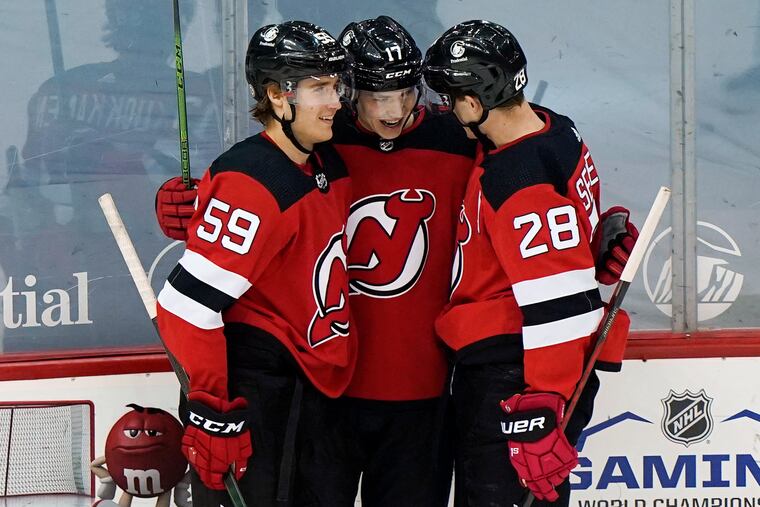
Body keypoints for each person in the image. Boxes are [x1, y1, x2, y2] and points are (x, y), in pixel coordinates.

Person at [423, 20, 635, 506]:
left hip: (514, 375)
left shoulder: (516, 181)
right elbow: (563, 242)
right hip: (535, 368)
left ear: (474, 104)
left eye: (453, 98)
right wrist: (599, 242)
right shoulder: (556, 128)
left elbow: (556, 307)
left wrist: (541, 410)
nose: (449, 110)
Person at [155, 21, 357, 506]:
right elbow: (185, 308)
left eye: (335, 86)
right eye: (318, 88)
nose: (335, 102)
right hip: (261, 397)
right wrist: (211, 411)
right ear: (276, 94)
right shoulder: (253, 182)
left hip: (311, 394)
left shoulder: (322, 161)